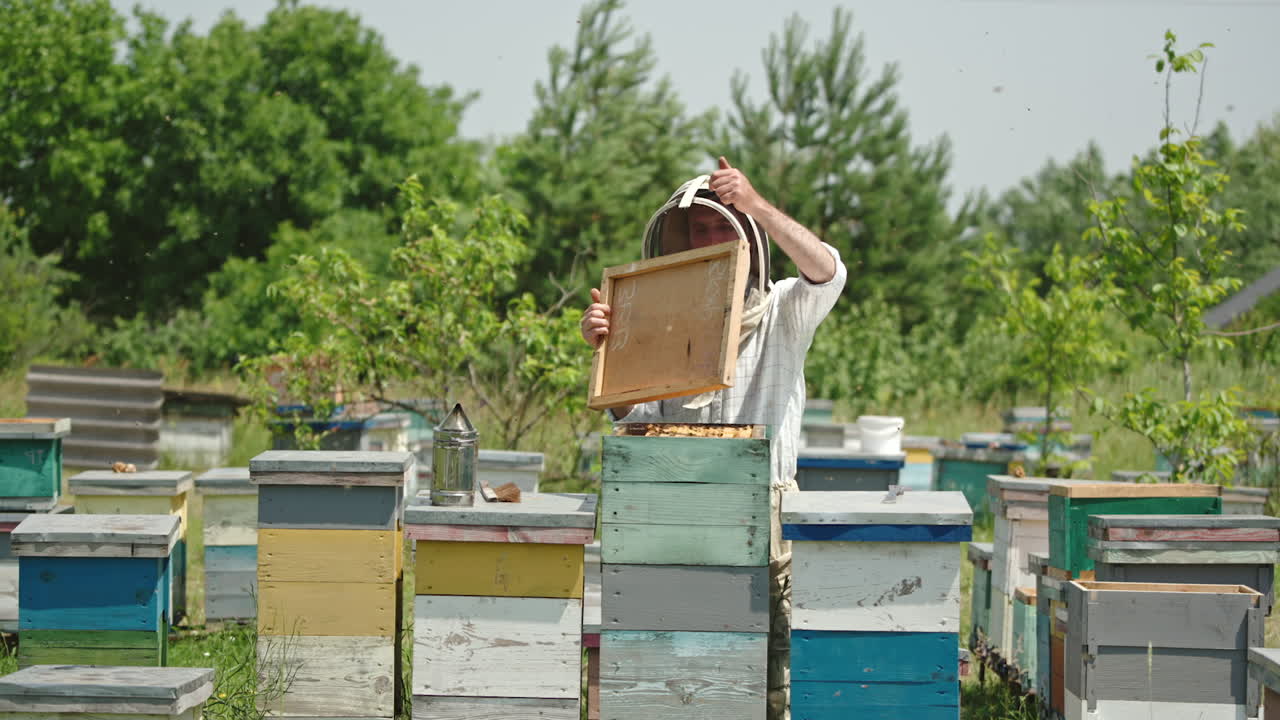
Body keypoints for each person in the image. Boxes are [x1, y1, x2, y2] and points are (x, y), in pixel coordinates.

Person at [579, 157, 846, 720]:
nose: (713, 236)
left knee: (773, 677)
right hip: (682, 508)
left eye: (726, 224)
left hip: (764, 512)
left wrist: (755, 203)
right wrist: (609, 352)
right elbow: (635, 419)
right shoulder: (660, 320)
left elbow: (829, 271)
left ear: (749, 235)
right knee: (693, 676)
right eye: (702, 229)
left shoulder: (784, 309)